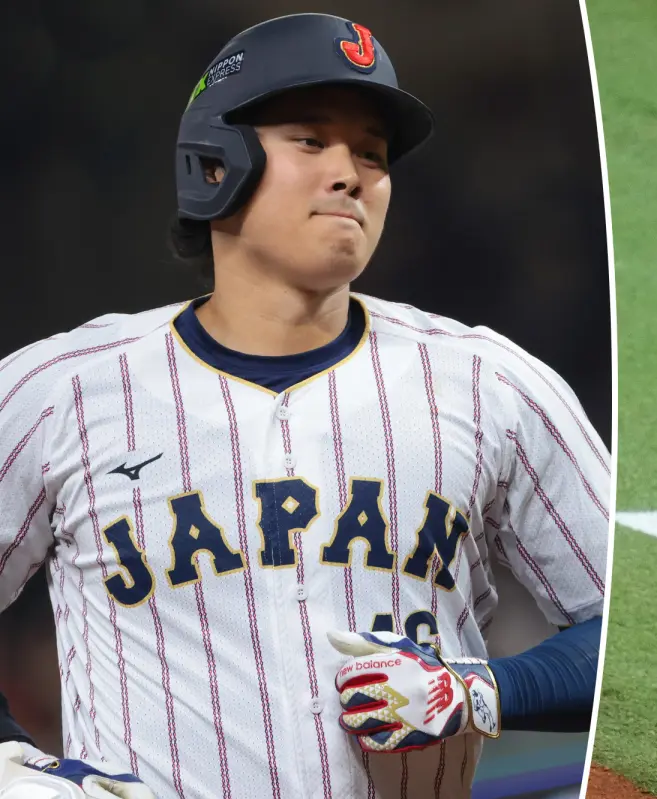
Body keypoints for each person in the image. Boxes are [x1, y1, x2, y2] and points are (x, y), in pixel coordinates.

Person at [0, 13, 609, 799]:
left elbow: (633, 629)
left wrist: (482, 690)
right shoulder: (62, 391)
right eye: (312, 141)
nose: (351, 173)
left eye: (372, 153)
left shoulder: (491, 383)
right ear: (215, 163)